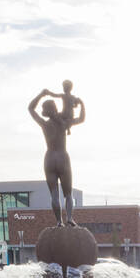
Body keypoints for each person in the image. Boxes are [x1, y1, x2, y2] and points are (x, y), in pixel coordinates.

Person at [28, 86, 86, 226]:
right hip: (62, 157)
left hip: (49, 158)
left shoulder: (44, 124)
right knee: (68, 194)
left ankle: (59, 222)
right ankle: (69, 218)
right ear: (55, 109)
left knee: (54, 194)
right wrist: (82, 104)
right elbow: (81, 118)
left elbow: (30, 108)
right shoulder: (64, 124)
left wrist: (41, 94)